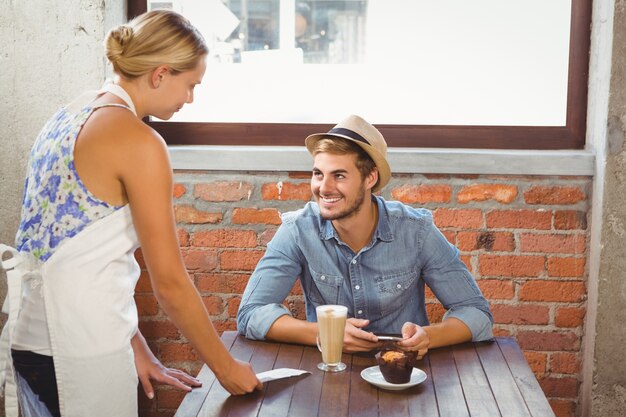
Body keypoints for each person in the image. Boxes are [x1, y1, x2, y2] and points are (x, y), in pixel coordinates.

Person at [0, 9, 261, 417]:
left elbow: (72, 252)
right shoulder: (139, 141)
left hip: (29, 343)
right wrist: (225, 368)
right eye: (190, 84)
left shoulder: (65, 117)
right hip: (81, 354)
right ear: (160, 74)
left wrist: (135, 344)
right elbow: (171, 283)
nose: (190, 99)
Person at [237, 114, 493, 357]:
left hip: (404, 376)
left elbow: (476, 313)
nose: (323, 188)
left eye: (338, 175)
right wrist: (326, 334)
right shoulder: (297, 230)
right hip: (328, 372)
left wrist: (428, 337)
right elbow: (250, 314)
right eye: (318, 174)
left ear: (370, 177)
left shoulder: (416, 231)